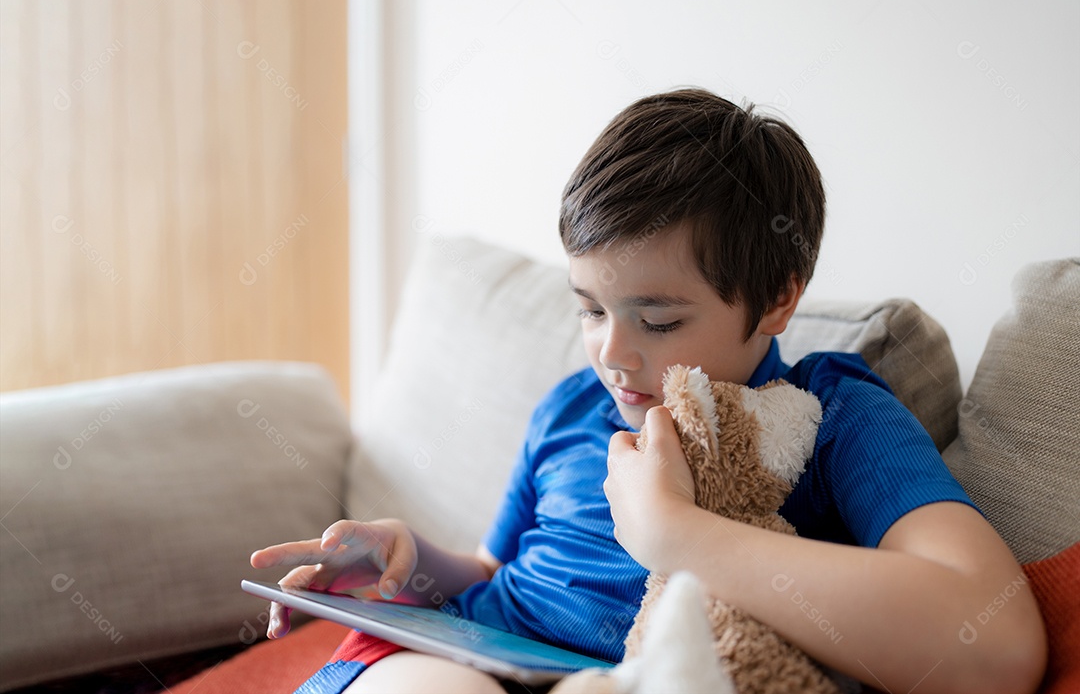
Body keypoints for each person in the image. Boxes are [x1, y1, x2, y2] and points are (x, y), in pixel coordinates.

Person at [251, 88, 1046, 694]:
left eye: (657, 320)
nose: (611, 354)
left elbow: (998, 640)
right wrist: (408, 560)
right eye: (590, 308)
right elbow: (495, 568)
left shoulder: (834, 415)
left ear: (777, 297)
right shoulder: (568, 405)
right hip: (463, 653)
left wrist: (673, 533)